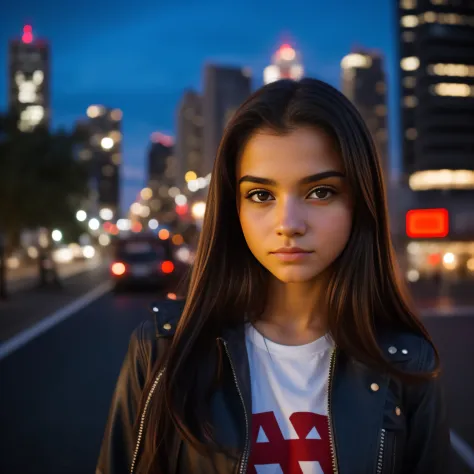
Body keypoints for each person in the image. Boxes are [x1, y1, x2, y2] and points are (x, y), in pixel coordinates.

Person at [97, 78, 449, 474]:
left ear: (359, 202)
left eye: (320, 191)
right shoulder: (163, 351)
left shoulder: (406, 363)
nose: (288, 224)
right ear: (235, 210)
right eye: (261, 195)